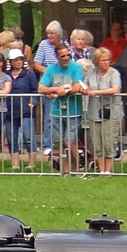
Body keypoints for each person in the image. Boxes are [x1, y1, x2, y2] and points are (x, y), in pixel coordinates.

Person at [39, 42, 87, 171]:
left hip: (73, 111)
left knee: (69, 142)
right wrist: (55, 89)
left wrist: (63, 91)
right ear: (57, 57)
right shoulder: (50, 69)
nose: (66, 58)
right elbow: (41, 87)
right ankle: (65, 171)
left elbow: (77, 86)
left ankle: (77, 169)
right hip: (56, 111)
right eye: (63, 56)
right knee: (60, 143)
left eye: (68, 55)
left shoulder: (76, 67)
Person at [84, 46, 123, 174]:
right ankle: (101, 170)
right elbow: (85, 85)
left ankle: (108, 170)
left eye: (108, 60)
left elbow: (115, 89)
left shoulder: (114, 73)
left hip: (111, 111)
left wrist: (98, 92)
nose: (106, 62)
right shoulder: (91, 73)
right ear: (97, 61)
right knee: (97, 142)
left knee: (109, 141)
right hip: (94, 111)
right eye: (103, 60)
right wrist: (86, 90)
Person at [4, 49, 39, 170]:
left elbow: (35, 90)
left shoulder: (29, 74)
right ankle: (15, 164)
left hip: (26, 110)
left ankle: (32, 163)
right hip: (9, 110)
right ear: (11, 62)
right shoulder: (6, 75)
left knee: (28, 137)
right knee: (11, 138)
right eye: (15, 60)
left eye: (20, 60)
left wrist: (33, 103)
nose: (18, 62)